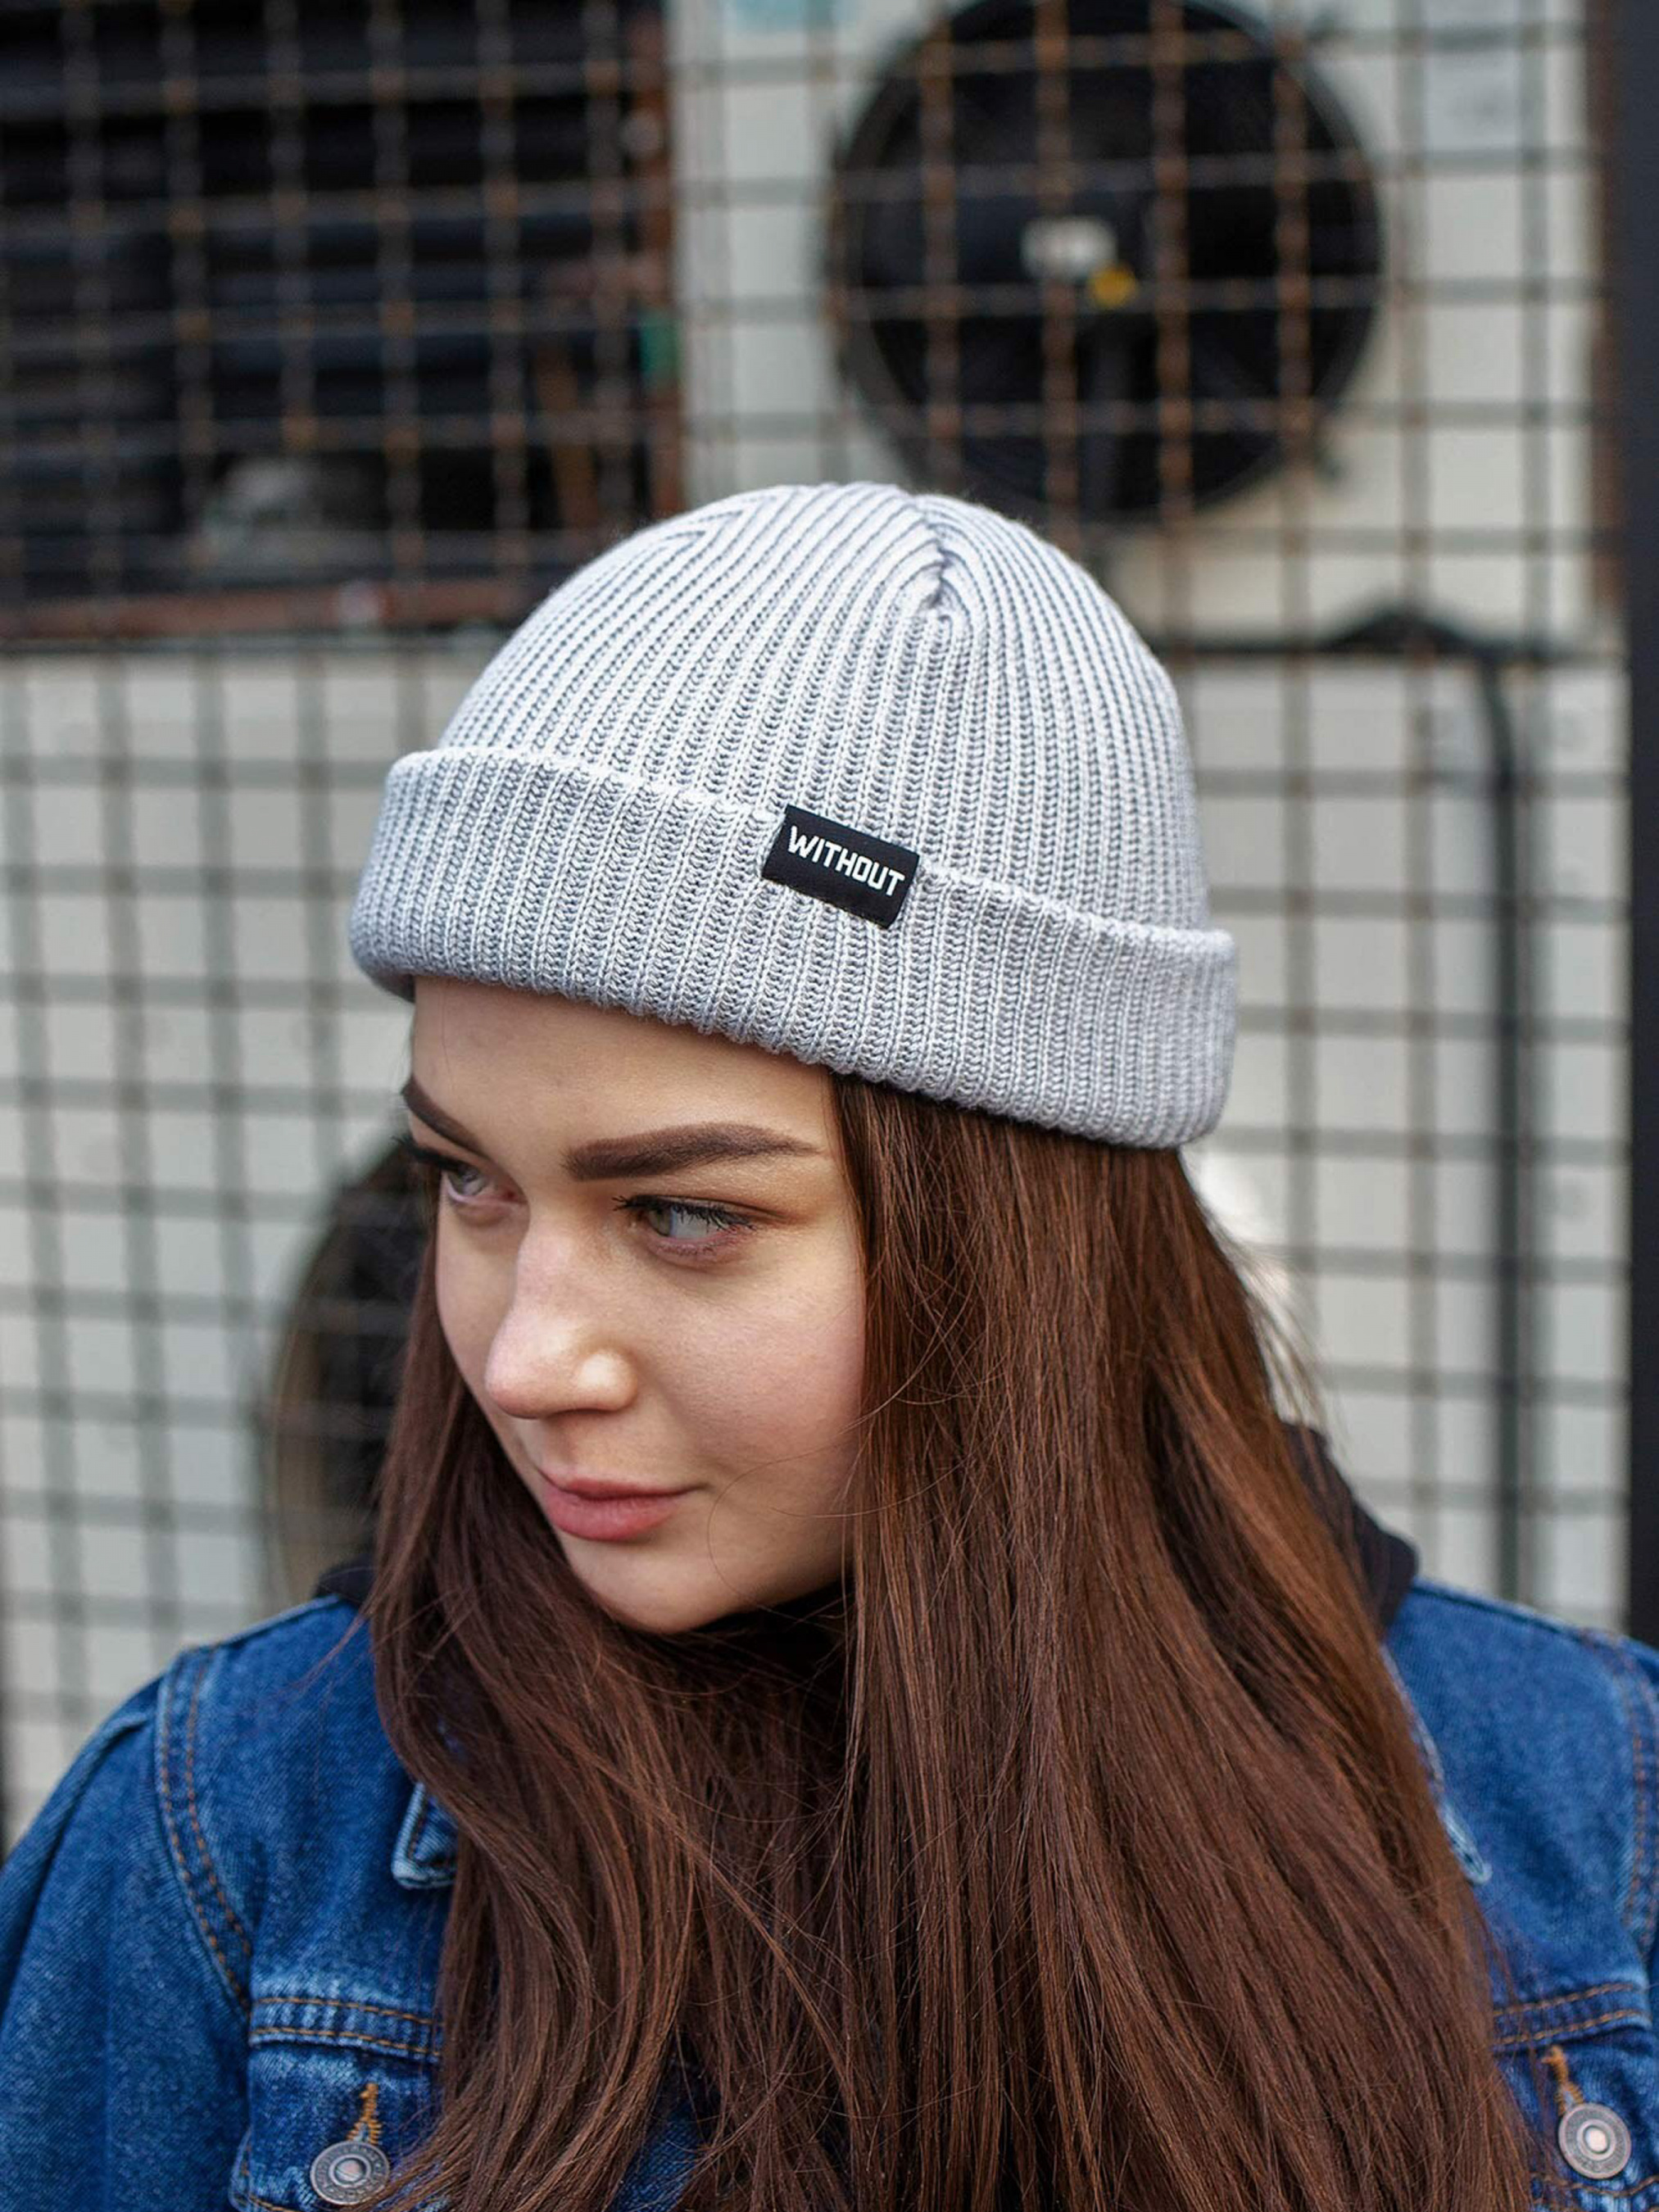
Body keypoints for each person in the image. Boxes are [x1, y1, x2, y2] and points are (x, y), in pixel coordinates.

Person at [0, 480, 1650, 2212]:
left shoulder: (1589, 1815)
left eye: (680, 1213)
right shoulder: (229, 1835)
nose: (523, 1363)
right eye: (465, 1180)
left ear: (1022, 1249)